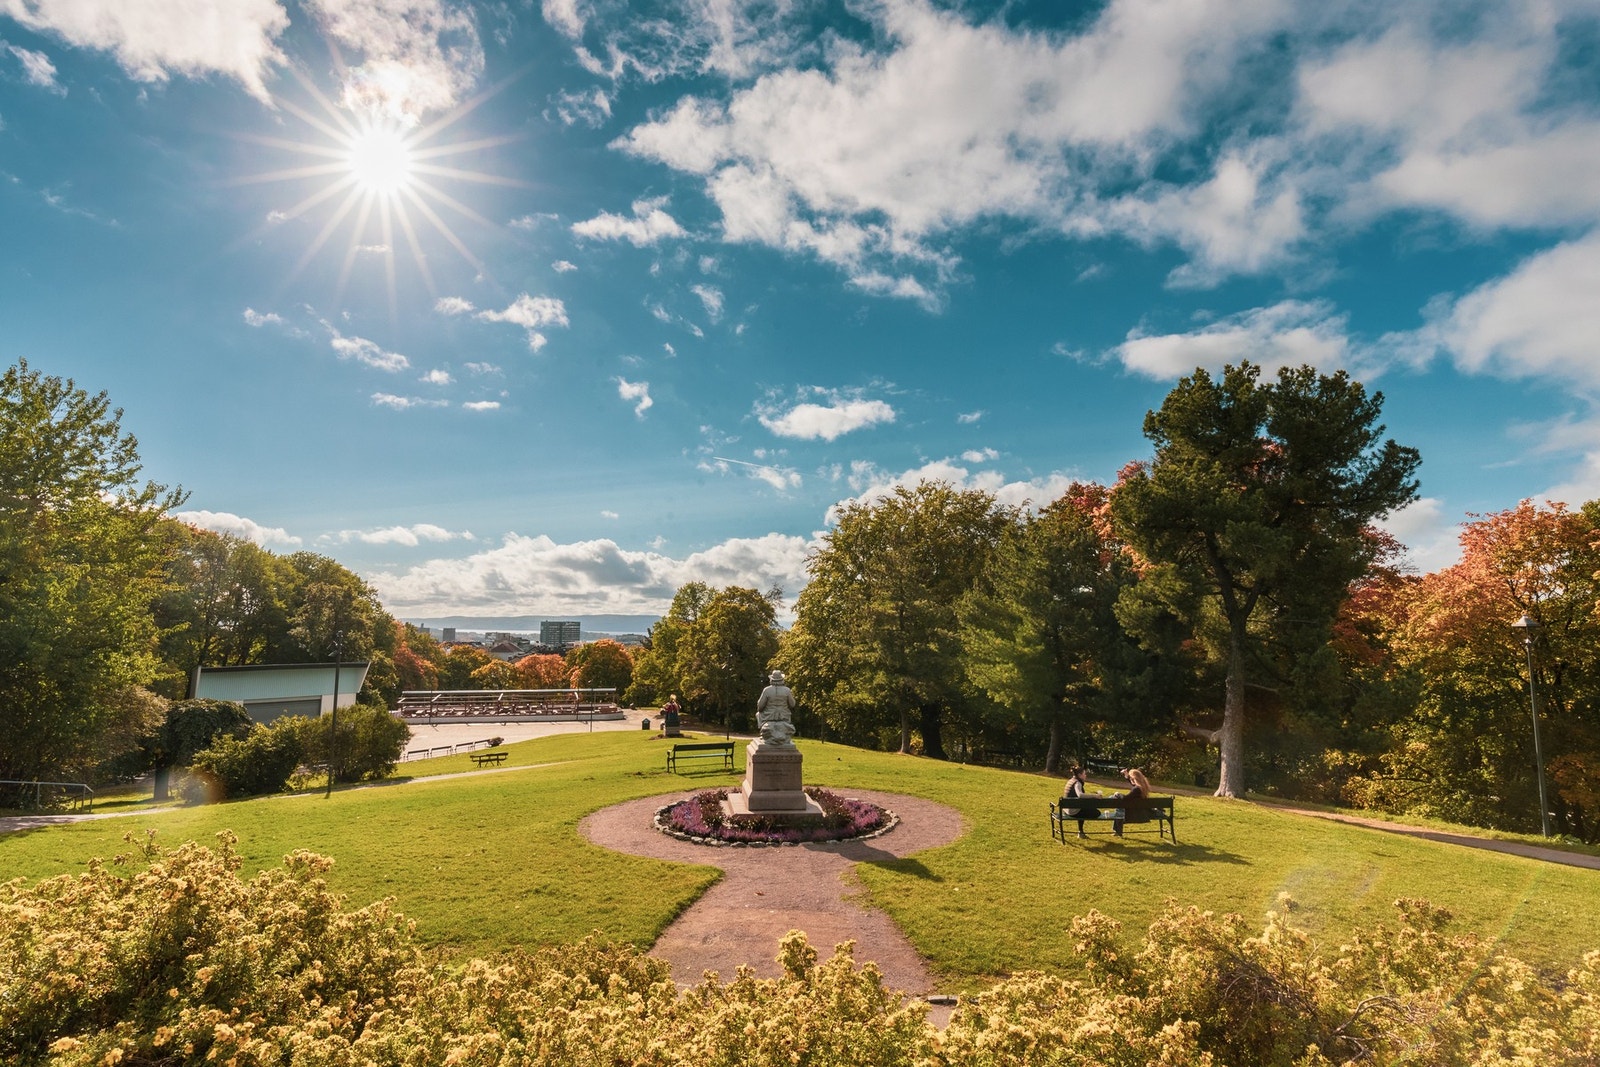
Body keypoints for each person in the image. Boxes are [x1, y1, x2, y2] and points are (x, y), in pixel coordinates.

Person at [755, 670, 797, 746]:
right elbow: (792, 704)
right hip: (784, 716)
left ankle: (763, 733)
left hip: (768, 716)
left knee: (758, 714)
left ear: (771, 679)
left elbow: (760, 706)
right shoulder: (787, 690)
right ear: (782, 679)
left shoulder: (767, 690)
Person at [1111, 767, 1149, 837]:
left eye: (1131, 778)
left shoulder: (1136, 789)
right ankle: (1117, 831)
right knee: (1120, 807)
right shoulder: (1143, 787)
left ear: (1134, 779)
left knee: (1119, 807)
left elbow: (1125, 798)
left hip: (1133, 813)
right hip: (1140, 810)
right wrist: (1127, 775)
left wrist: (1118, 794)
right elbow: (1134, 785)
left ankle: (1117, 831)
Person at [1062, 766, 1098, 838]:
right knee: (1096, 813)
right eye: (1084, 774)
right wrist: (1094, 796)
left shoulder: (1070, 781)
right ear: (1079, 775)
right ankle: (1081, 832)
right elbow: (1080, 795)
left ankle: (1081, 832)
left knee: (1083, 808)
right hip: (1073, 811)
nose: (1085, 775)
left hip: (1066, 809)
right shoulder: (1077, 783)